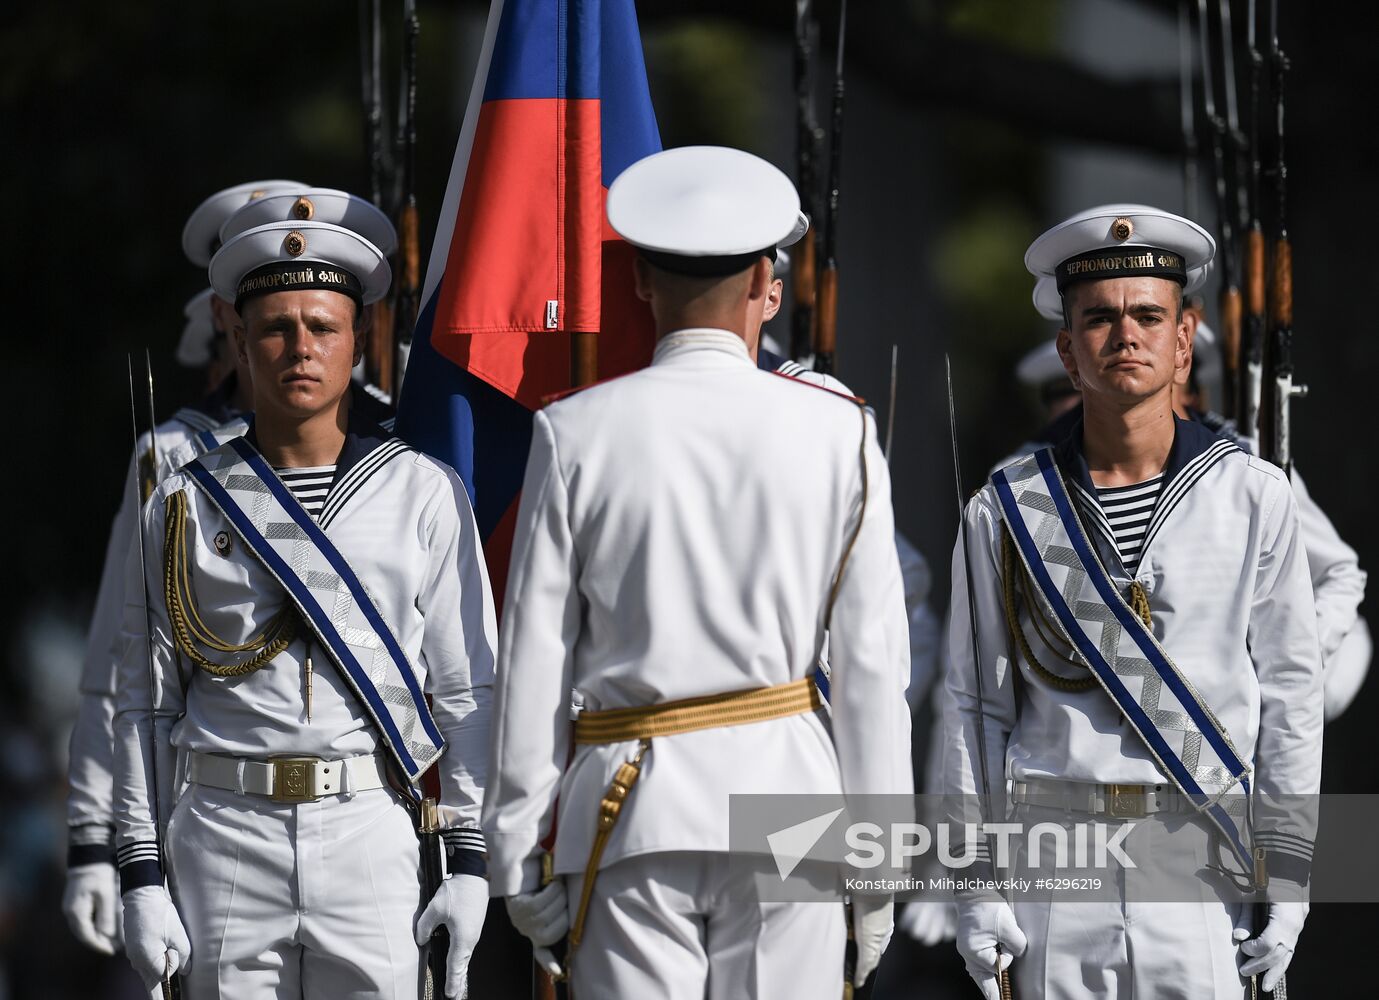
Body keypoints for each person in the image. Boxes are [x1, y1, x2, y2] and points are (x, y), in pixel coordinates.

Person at [483, 145, 913, 999]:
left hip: (630, 811)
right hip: (790, 809)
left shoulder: (574, 431)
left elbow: (534, 659)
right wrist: (878, 870)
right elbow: (871, 668)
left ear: (641, 281)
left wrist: (519, 850)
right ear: (764, 283)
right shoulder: (841, 430)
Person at [945, 204, 1323, 999]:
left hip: (1202, 851)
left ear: (1183, 340)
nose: (1126, 335)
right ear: (1066, 348)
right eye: (1100, 318)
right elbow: (974, 708)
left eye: (1148, 316)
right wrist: (975, 885)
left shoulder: (1252, 495)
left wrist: (1288, 876)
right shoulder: (1004, 509)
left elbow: (1291, 693)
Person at [113, 217, 495, 998]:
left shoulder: (421, 492)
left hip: (369, 826)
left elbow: (465, 692)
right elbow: (143, 703)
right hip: (222, 830)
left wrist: (468, 855)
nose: (300, 348)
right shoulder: (184, 501)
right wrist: (139, 872)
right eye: (275, 328)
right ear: (239, 341)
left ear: (357, 341)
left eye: (322, 327)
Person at [63, 178, 303, 957]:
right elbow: (118, 667)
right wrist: (95, 836)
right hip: (216, 819)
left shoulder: (389, 449)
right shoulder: (172, 457)